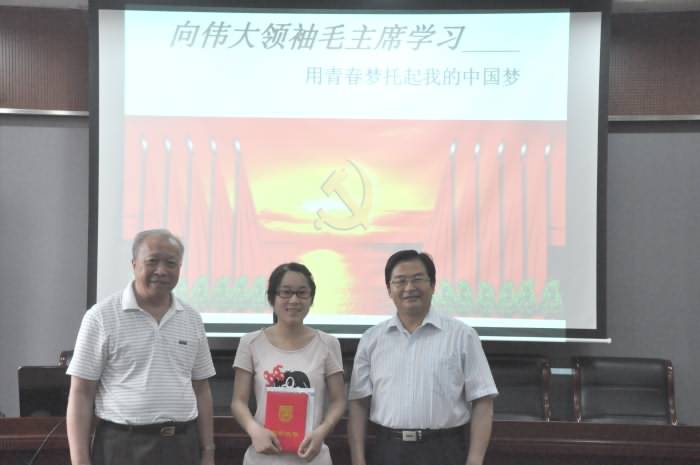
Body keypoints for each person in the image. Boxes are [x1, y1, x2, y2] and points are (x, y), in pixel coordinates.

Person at [66, 229, 216, 465]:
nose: (161, 270)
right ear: (134, 264)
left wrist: (208, 451)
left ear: (179, 267)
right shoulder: (101, 317)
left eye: (171, 263)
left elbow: (201, 389)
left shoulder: (191, 319)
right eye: (152, 261)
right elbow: (81, 392)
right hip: (122, 447)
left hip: (182, 445)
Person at [347, 250, 498, 465]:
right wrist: (357, 459)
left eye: (417, 279)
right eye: (400, 281)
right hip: (388, 450)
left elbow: (483, 400)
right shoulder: (371, 339)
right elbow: (358, 403)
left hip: (444, 450)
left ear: (433, 285)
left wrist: (475, 460)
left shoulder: (463, 336)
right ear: (389, 289)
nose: (409, 288)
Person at [231, 262, 347, 465]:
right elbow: (238, 402)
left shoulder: (328, 344)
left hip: (312, 458)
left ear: (311, 298)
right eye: (285, 292)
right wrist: (254, 429)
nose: (294, 300)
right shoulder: (250, 343)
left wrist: (322, 431)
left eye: (302, 293)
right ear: (272, 298)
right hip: (263, 459)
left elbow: (338, 401)